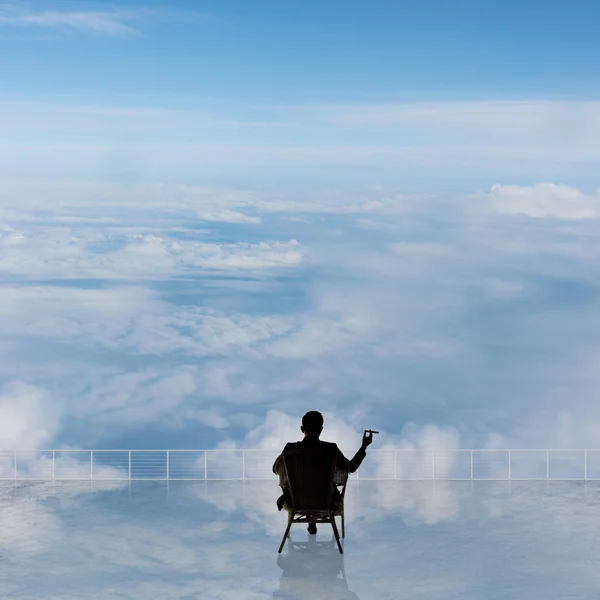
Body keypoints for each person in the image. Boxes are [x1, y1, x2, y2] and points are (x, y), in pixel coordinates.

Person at [273, 411, 373, 534]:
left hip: (296, 500)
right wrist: (364, 446)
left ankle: (292, 499)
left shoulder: (290, 448)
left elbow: (275, 469)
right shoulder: (330, 449)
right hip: (325, 500)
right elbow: (351, 468)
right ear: (321, 429)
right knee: (321, 483)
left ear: (302, 428)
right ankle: (312, 519)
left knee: (298, 480)